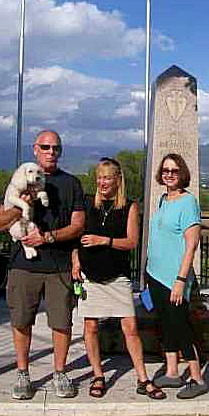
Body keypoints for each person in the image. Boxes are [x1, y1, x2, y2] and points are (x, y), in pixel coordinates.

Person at [0, 130, 84, 400]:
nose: (50, 152)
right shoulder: (19, 182)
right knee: (21, 320)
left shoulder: (71, 183)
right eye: (45, 147)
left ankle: (59, 373)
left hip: (59, 265)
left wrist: (48, 237)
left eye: (56, 148)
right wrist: (24, 204)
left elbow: (78, 225)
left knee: (61, 322)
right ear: (35, 149)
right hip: (23, 265)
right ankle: (23, 373)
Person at [71, 157, 166, 400]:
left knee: (130, 328)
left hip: (117, 276)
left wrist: (103, 241)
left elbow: (132, 242)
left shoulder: (129, 206)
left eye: (107, 178)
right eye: (99, 178)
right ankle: (98, 375)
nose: (102, 182)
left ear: (117, 180)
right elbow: (75, 236)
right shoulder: (86, 202)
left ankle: (143, 378)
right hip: (90, 277)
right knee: (90, 327)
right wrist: (75, 261)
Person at [145, 153, 209, 400]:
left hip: (175, 278)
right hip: (155, 275)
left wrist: (181, 281)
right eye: (165, 170)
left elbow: (191, 245)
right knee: (167, 325)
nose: (169, 174)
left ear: (182, 173)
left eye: (173, 170)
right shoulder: (163, 200)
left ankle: (197, 377)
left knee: (181, 327)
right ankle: (172, 372)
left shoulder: (188, 202)